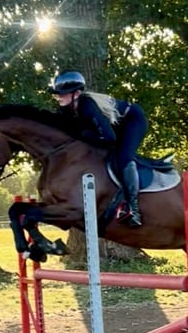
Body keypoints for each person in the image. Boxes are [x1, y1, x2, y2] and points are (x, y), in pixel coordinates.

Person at [48, 70, 148, 227]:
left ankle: (134, 209)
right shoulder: (67, 109)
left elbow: (109, 138)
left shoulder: (87, 105)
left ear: (77, 94)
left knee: (124, 157)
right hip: (117, 124)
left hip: (133, 120)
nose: (59, 96)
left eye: (63, 93)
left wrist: (84, 135)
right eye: (58, 94)